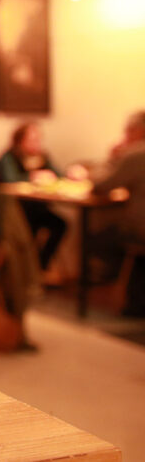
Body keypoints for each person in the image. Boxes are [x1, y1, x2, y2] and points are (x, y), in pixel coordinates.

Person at [91, 110, 145, 316]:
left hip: (140, 229)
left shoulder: (136, 155)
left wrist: (113, 159)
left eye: (128, 131)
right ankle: (136, 301)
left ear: (137, 131)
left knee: (98, 237)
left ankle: (118, 290)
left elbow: (101, 184)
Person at [0, 121, 68, 271]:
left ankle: (40, 267)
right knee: (27, 230)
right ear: (20, 141)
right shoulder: (9, 157)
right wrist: (32, 177)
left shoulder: (42, 157)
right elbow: (10, 179)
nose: (37, 143)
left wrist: (68, 175)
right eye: (32, 139)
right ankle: (28, 271)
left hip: (37, 208)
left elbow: (59, 175)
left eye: (38, 139)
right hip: (14, 211)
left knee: (60, 225)